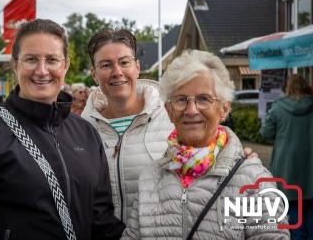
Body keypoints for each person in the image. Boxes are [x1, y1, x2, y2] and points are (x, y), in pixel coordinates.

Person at [0, 19, 125, 240]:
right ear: (15, 64)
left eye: (52, 60)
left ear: (65, 65)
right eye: (31, 59)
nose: (41, 70)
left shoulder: (85, 133)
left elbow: (101, 220)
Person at [82, 29, 256, 224]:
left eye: (124, 62)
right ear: (94, 74)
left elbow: (213, 145)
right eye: (106, 65)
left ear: (137, 67)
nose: (117, 72)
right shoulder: (80, 130)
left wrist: (240, 159)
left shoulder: (174, 114)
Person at [121, 50, 289, 239]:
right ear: (168, 110)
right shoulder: (150, 178)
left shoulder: (253, 180)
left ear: (224, 108)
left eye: (203, 99)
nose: (191, 110)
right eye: (181, 99)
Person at [260, 74, 313, 240]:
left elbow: (266, 132)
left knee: (292, 211)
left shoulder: (278, 107)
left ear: (288, 88)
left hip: (287, 167)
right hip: (310, 168)